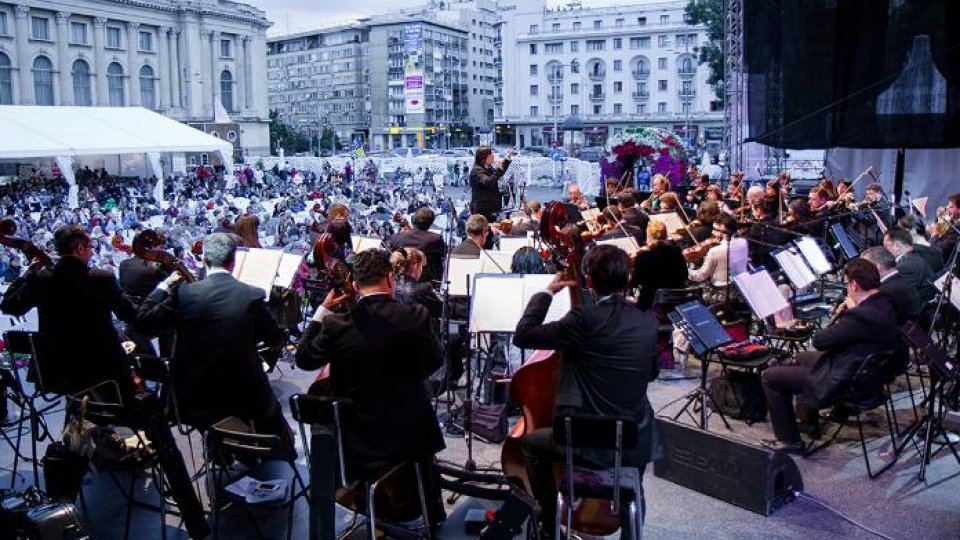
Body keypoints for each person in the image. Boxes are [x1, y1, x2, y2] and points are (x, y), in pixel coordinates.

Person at [512, 245, 660, 537]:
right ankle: (632, 524)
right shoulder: (647, 321)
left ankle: (547, 516)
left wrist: (547, 292)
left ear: (589, 281)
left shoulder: (582, 320)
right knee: (634, 465)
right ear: (627, 279)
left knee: (530, 444)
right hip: (633, 437)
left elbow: (523, 335)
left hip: (584, 439)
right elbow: (652, 372)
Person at [295, 249, 446, 525]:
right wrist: (405, 378)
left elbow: (303, 358)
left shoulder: (336, 325)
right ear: (390, 279)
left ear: (353, 285)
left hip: (358, 445)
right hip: (411, 438)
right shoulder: (416, 315)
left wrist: (322, 311)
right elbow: (436, 360)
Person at [137, 233, 293, 453]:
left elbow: (143, 322)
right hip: (243, 397)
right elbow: (275, 341)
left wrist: (165, 285)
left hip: (193, 400)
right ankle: (269, 449)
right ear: (233, 261)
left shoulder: (184, 293)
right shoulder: (251, 295)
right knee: (279, 432)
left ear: (203, 260)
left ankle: (221, 448)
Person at [760, 259, 897, 454]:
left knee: (770, 377)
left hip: (848, 379)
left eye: (846, 284)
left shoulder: (861, 315)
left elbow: (821, 341)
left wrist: (848, 312)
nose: (846, 289)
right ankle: (808, 422)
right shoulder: (885, 302)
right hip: (867, 371)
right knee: (802, 357)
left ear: (854, 285)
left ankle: (788, 440)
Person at [0, 225, 139, 398]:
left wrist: (28, 271)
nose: (92, 252)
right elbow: (130, 314)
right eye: (90, 248)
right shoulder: (101, 279)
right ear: (79, 248)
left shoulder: (40, 279)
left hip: (57, 372)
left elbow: (9, 305)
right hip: (102, 369)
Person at [687, 214, 749, 302]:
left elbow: (700, 276)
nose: (712, 232)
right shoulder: (743, 242)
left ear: (722, 231)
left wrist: (686, 270)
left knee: (693, 286)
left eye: (714, 230)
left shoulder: (715, 251)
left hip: (721, 293)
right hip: (740, 287)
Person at [631, 221, 687, 310]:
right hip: (676, 299)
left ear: (649, 236)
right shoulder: (676, 251)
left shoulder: (643, 255)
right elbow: (684, 275)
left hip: (652, 303)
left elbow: (635, 282)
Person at [389, 207, 446, 282]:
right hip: (426, 281)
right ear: (431, 223)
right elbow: (443, 254)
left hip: (399, 281)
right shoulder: (435, 239)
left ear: (413, 220)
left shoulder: (395, 238)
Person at [883, 228, 936, 303]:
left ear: (897, 245)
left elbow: (911, 301)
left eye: (886, 246)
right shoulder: (926, 250)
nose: (885, 250)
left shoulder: (903, 267)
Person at [390, 247, 442, 317]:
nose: (421, 270)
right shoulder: (423, 288)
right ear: (416, 266)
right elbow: (443, 311)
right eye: (421, 267)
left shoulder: (389, 285)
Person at [470, 146, 514, 223]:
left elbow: (498, 174)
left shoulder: (488, 167)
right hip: (482, 211)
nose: (493, 157)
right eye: (491, 155)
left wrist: (507, 159)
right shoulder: (477, 171)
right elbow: (488, 182)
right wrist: (498, 170)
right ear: (484, 157)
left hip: (492, 208)